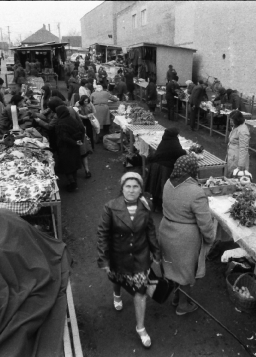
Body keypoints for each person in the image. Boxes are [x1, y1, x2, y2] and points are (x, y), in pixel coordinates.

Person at [97, 172, 161, 349]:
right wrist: (104, 259)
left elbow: (150, 231)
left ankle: (140, 327)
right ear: (122, 187)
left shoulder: (146, 207)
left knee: (140, 292)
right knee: (117, 278)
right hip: (118, 254)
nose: (131, 190)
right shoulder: (110, 207)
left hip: (140, 256)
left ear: (140, 189)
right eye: (128, 186)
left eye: (135, 186)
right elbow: (103, 234)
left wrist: (156, 252)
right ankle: (117, 294)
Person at [158, 155, 215, 315]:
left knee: (173, 267)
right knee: (185, 272)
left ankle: (176, 297)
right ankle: (183, 305)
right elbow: (205, 223)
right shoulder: (196, 192)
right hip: (185, 238)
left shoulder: (168, 183)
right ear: (193, 170)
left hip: (166, 230)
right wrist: (210, 239)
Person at [144, 128, 187, 211]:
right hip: (165, 168)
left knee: (155, 186)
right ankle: (161, 206)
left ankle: (155, 205)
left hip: (155, 167)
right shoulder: (174, 143)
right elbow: (180, 153)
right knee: (162, 187)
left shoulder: (164, 141)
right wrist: (185, 152)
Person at [54, 105, 85, 192]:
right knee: (73, 166)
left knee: (66, 167)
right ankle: (75, 182)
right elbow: (82, 129)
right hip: (75, 147)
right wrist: (79, 141)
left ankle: (72, 184)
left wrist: (74, 142)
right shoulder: (73, 120)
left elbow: (64, 137)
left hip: (65, 148)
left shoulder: (61, 123)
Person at [226, 110, 251, 176]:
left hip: (237, 159)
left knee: (235, 177)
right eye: (230, 120)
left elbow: (244, 148)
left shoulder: (243, 131)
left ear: (237, 120)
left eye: (232, 120)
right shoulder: (236, 127)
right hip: (232, 157)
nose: (230, 122)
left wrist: (241, 165)